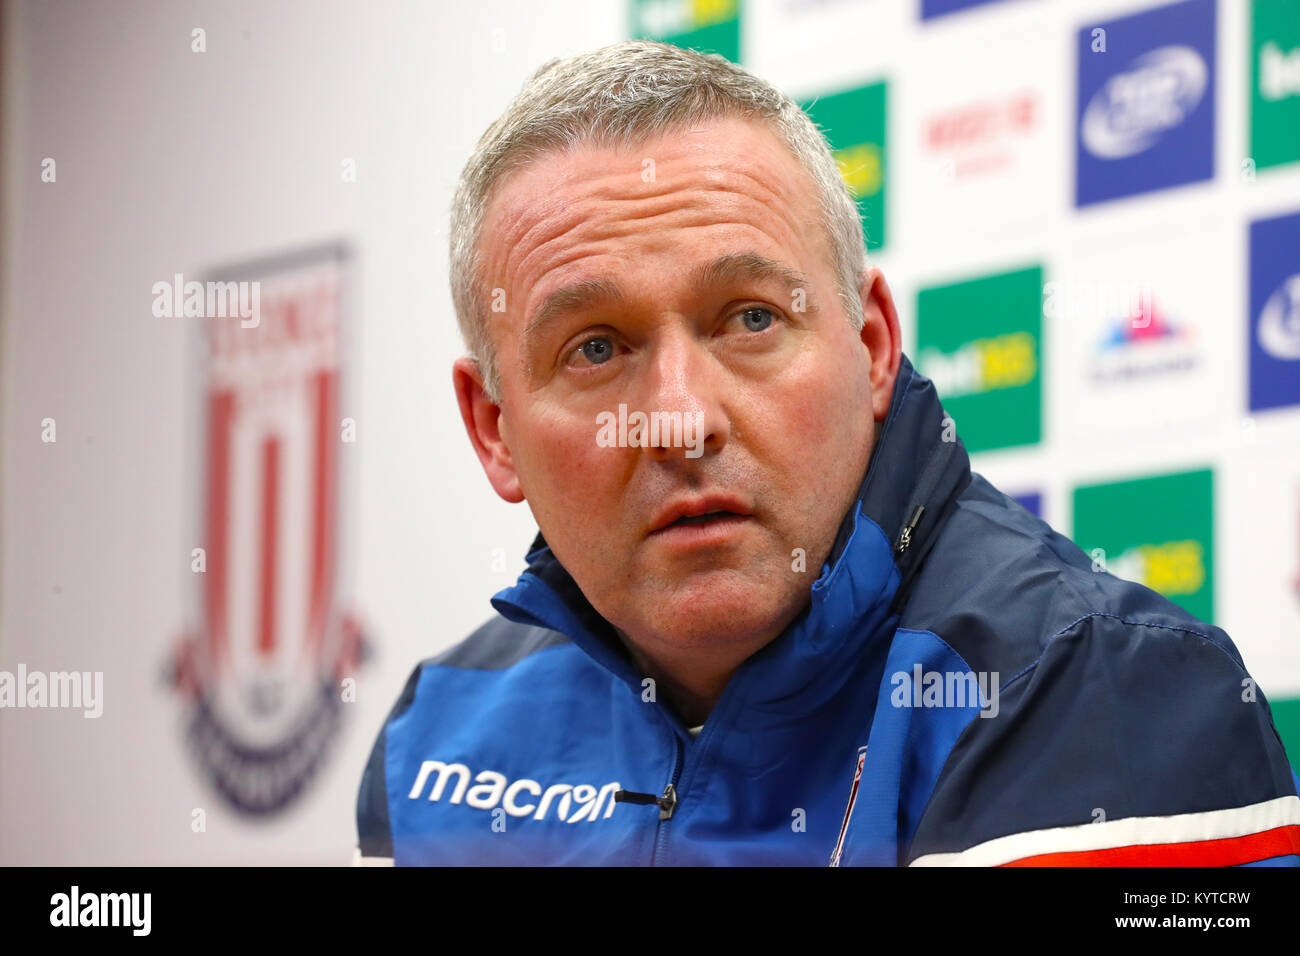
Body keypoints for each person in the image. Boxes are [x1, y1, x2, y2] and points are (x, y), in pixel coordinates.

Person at [355, 39, 1300, 866]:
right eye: (596, 348)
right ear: (494, 429)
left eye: (751, 318)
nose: (680, 421)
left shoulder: (1105, 692)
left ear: (873, 345)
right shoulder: (436, 746)